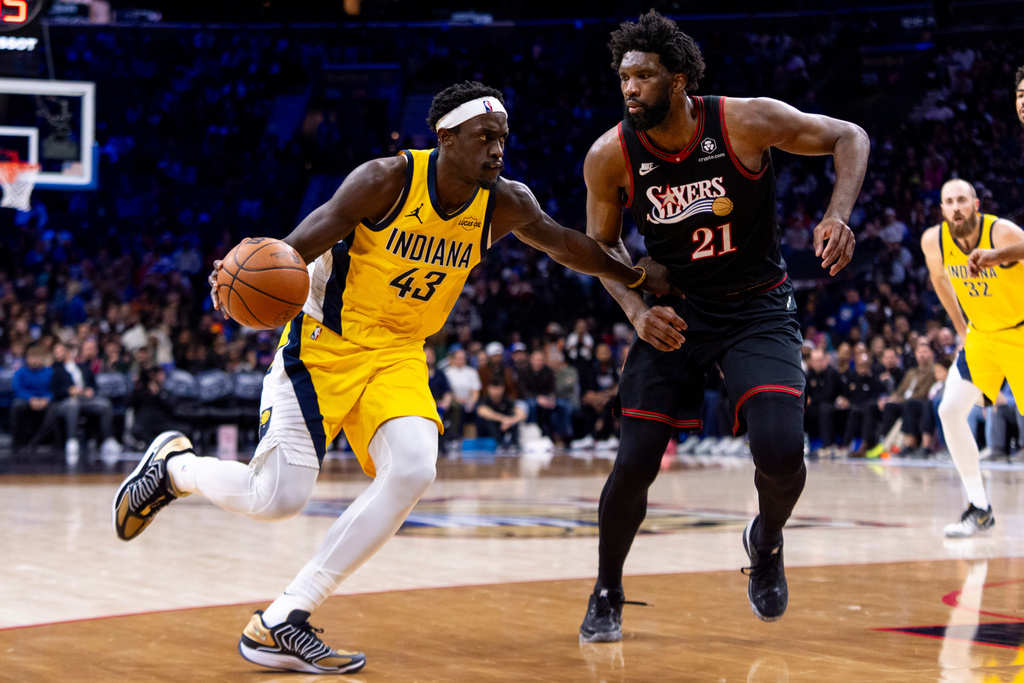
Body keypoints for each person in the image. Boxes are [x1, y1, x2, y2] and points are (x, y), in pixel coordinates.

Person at [110, 80, 675, 674]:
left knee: (413, 466)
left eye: (503, 138)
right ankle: (175, 470)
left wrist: (635, 278)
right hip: (324, 346)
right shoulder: (384, 180)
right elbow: (292, 250)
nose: (497, 150)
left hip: (399, 353)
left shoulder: (506, 202)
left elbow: (567, 246)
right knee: (276, 499)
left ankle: (284, 618)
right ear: (446, 138)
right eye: (484, 138)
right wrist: (236, 280)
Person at [578, 10, 868, 642]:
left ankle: (765, 542)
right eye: (623, 76)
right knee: (634, 461)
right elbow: (602, 250)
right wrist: (635, 308)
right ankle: (607, 589)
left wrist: (838, 215)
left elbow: (850, 135)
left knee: (782, 452)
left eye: (645, 75)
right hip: (678, 312)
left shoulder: (745, 120)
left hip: (758, 306)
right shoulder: (610, 155)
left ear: (678, 79)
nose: (629, 88)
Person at [922, 178, 1024, 538]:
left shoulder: (1002, 232)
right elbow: (939, 280)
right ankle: (979, 508)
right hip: (981, 336)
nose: (956, 207)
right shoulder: (934, 241)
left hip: (1020, 332)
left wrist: (997, 257)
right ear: (942, 209)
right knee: (949, 411)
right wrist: (961, 327)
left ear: (976, 204)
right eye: (949, 201)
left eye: (962, 199)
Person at [50, 341, 121, 468]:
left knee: (104, 404)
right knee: (72, 405)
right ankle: (72, 441)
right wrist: (69, 391)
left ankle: (108, 440)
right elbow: (55, 390)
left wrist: (90, 390)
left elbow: (93, 384)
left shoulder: (82, 367)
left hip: (85, 400)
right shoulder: (56, 370)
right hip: (65, 401)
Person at [475, 378, 527, 450]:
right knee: (489, 420)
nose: (496, 391)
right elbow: (482, 411)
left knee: (513, 418)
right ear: (489, 389)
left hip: (504, 427)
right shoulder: (485, 400)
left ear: (502, 389)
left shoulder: (507, 400)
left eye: (498, 388)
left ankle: (514, 444)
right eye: (493, 388)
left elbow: (522, 414)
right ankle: (498, 444)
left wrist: (510, 421)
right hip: (489, 433)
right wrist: (503, 419)